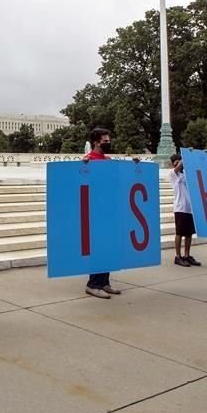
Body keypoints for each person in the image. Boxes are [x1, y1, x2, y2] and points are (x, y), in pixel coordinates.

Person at [81, 127, 123, 299]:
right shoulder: (88, 160)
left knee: (108, 247)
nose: (108, 143)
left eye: (108, 140)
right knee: (98, 248)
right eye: (105, 141)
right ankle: (93, 284)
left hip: (108, 209)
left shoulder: (107, 160)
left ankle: (105, 282)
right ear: (96, 142)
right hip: (95, 211)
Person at [169, 154, 201, 267]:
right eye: (176, 162)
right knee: (179, 233)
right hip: (180, 207)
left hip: (190, 208)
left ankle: (187, 255)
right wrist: (186, 155)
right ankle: (178, 256)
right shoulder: (173, 174)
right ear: (173, 163)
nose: (179, 164)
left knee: (189, 234)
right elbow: (178, 167)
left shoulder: (187, 175)